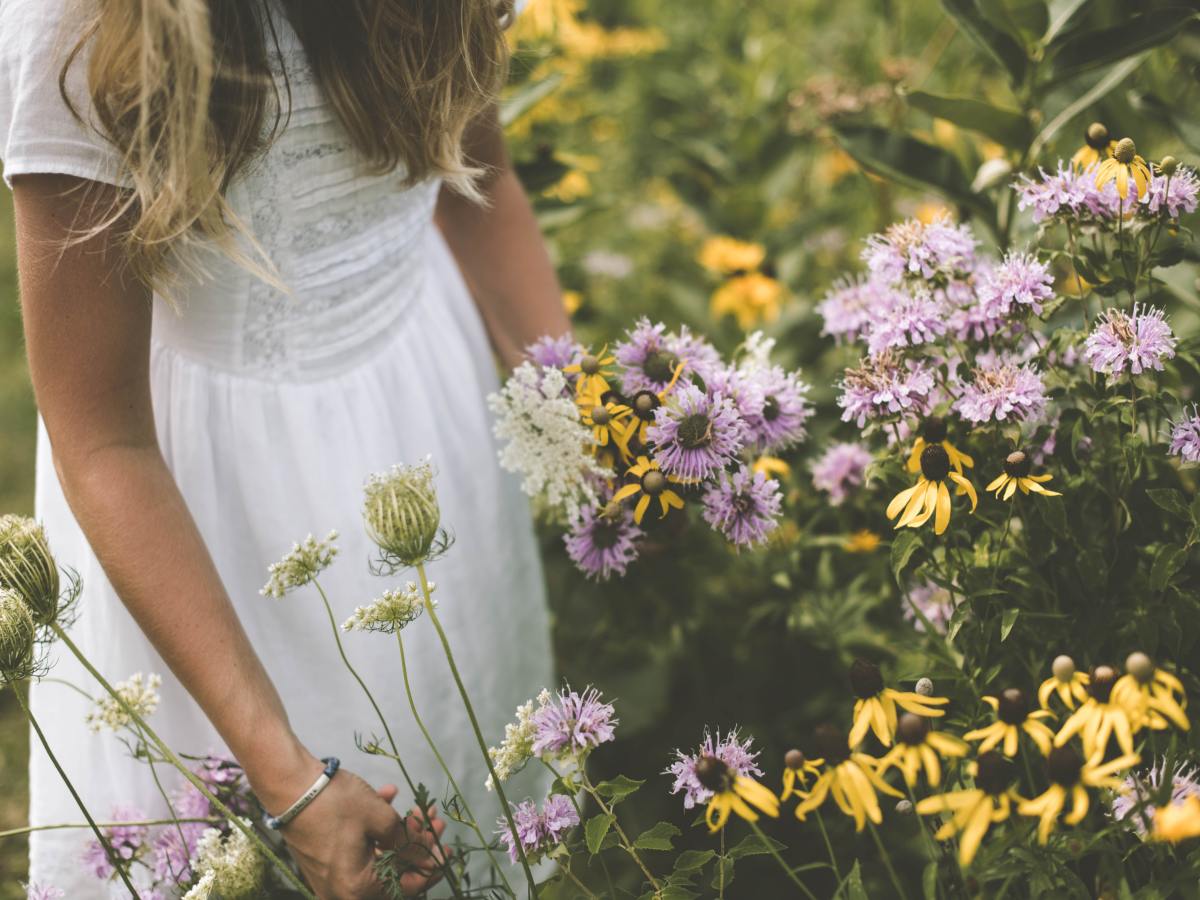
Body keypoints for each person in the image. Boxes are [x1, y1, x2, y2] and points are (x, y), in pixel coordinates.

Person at [0, 0, 568, 895]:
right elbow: (101, 434)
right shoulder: (84, 23)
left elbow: (477, 177)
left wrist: (585, 420)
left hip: (429, 408)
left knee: (459, 765)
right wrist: (292, 783)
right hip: (207, 515)